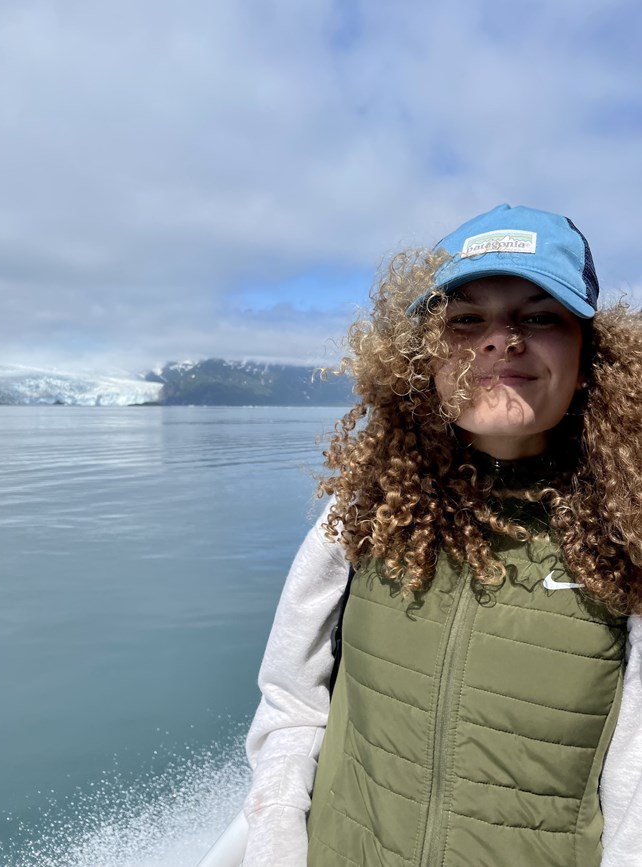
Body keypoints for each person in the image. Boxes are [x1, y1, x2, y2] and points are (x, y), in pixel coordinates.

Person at [241, 204, 642, 867]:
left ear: (590, 353)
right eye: (466, 319)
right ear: (425, 353)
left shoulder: (627, 530)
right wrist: (275, 843)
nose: (500, 340)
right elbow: (291, 696)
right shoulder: (366, 504)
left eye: (539, 316)